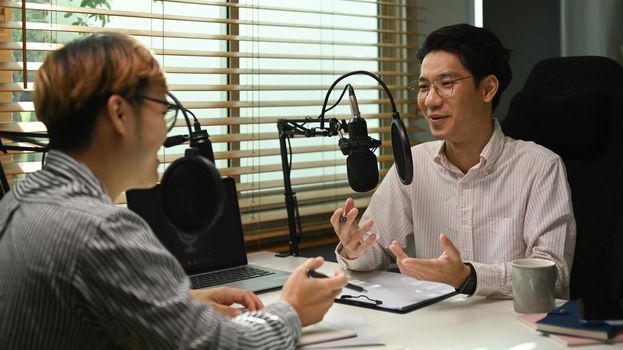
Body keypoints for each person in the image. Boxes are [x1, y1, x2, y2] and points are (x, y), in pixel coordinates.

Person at [0, 33, 346, 349]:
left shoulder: (17, 204)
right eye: (162, 111)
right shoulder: (101, 232)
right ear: (120, 113)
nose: (166, 136)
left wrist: (185, 301)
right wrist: (292, 309)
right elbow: (224, 346)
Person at [330, 23, 576, 299]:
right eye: (423, 87)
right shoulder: (414, 163)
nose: (430, 101)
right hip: (437, 324)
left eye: (446, 84)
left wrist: (470, 277)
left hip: (513, 331)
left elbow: (552, 276)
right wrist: (353, 247)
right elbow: (374, 254)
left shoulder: (540, 167)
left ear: (488, 89)